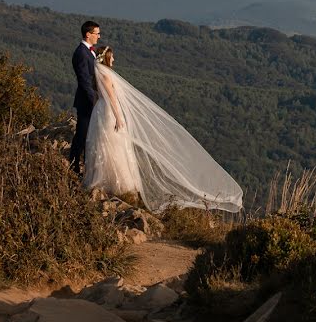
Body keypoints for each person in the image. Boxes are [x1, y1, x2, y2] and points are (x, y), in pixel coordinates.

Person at [84, 45, 243, 213]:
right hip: (109, 112)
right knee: (115, 147)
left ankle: (104, 180)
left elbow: (98, 96)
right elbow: (112, 97)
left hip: (99, 111)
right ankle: (118, 186)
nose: (114, 59)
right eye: (112, 57)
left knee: (103, 144)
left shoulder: (97, 74)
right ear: (107, 58)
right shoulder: (107, 75)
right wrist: (118, 116)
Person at [69, 20, 100, 175]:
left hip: (90, 100)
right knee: (82, 134)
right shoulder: (81, 53)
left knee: (87, 134)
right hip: (86, 101)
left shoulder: (89, 51)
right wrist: (94, 99)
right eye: (97, 33)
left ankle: (82, 166)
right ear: (88, 34)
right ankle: (73, 166)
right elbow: (84, 80)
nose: (99, 36)